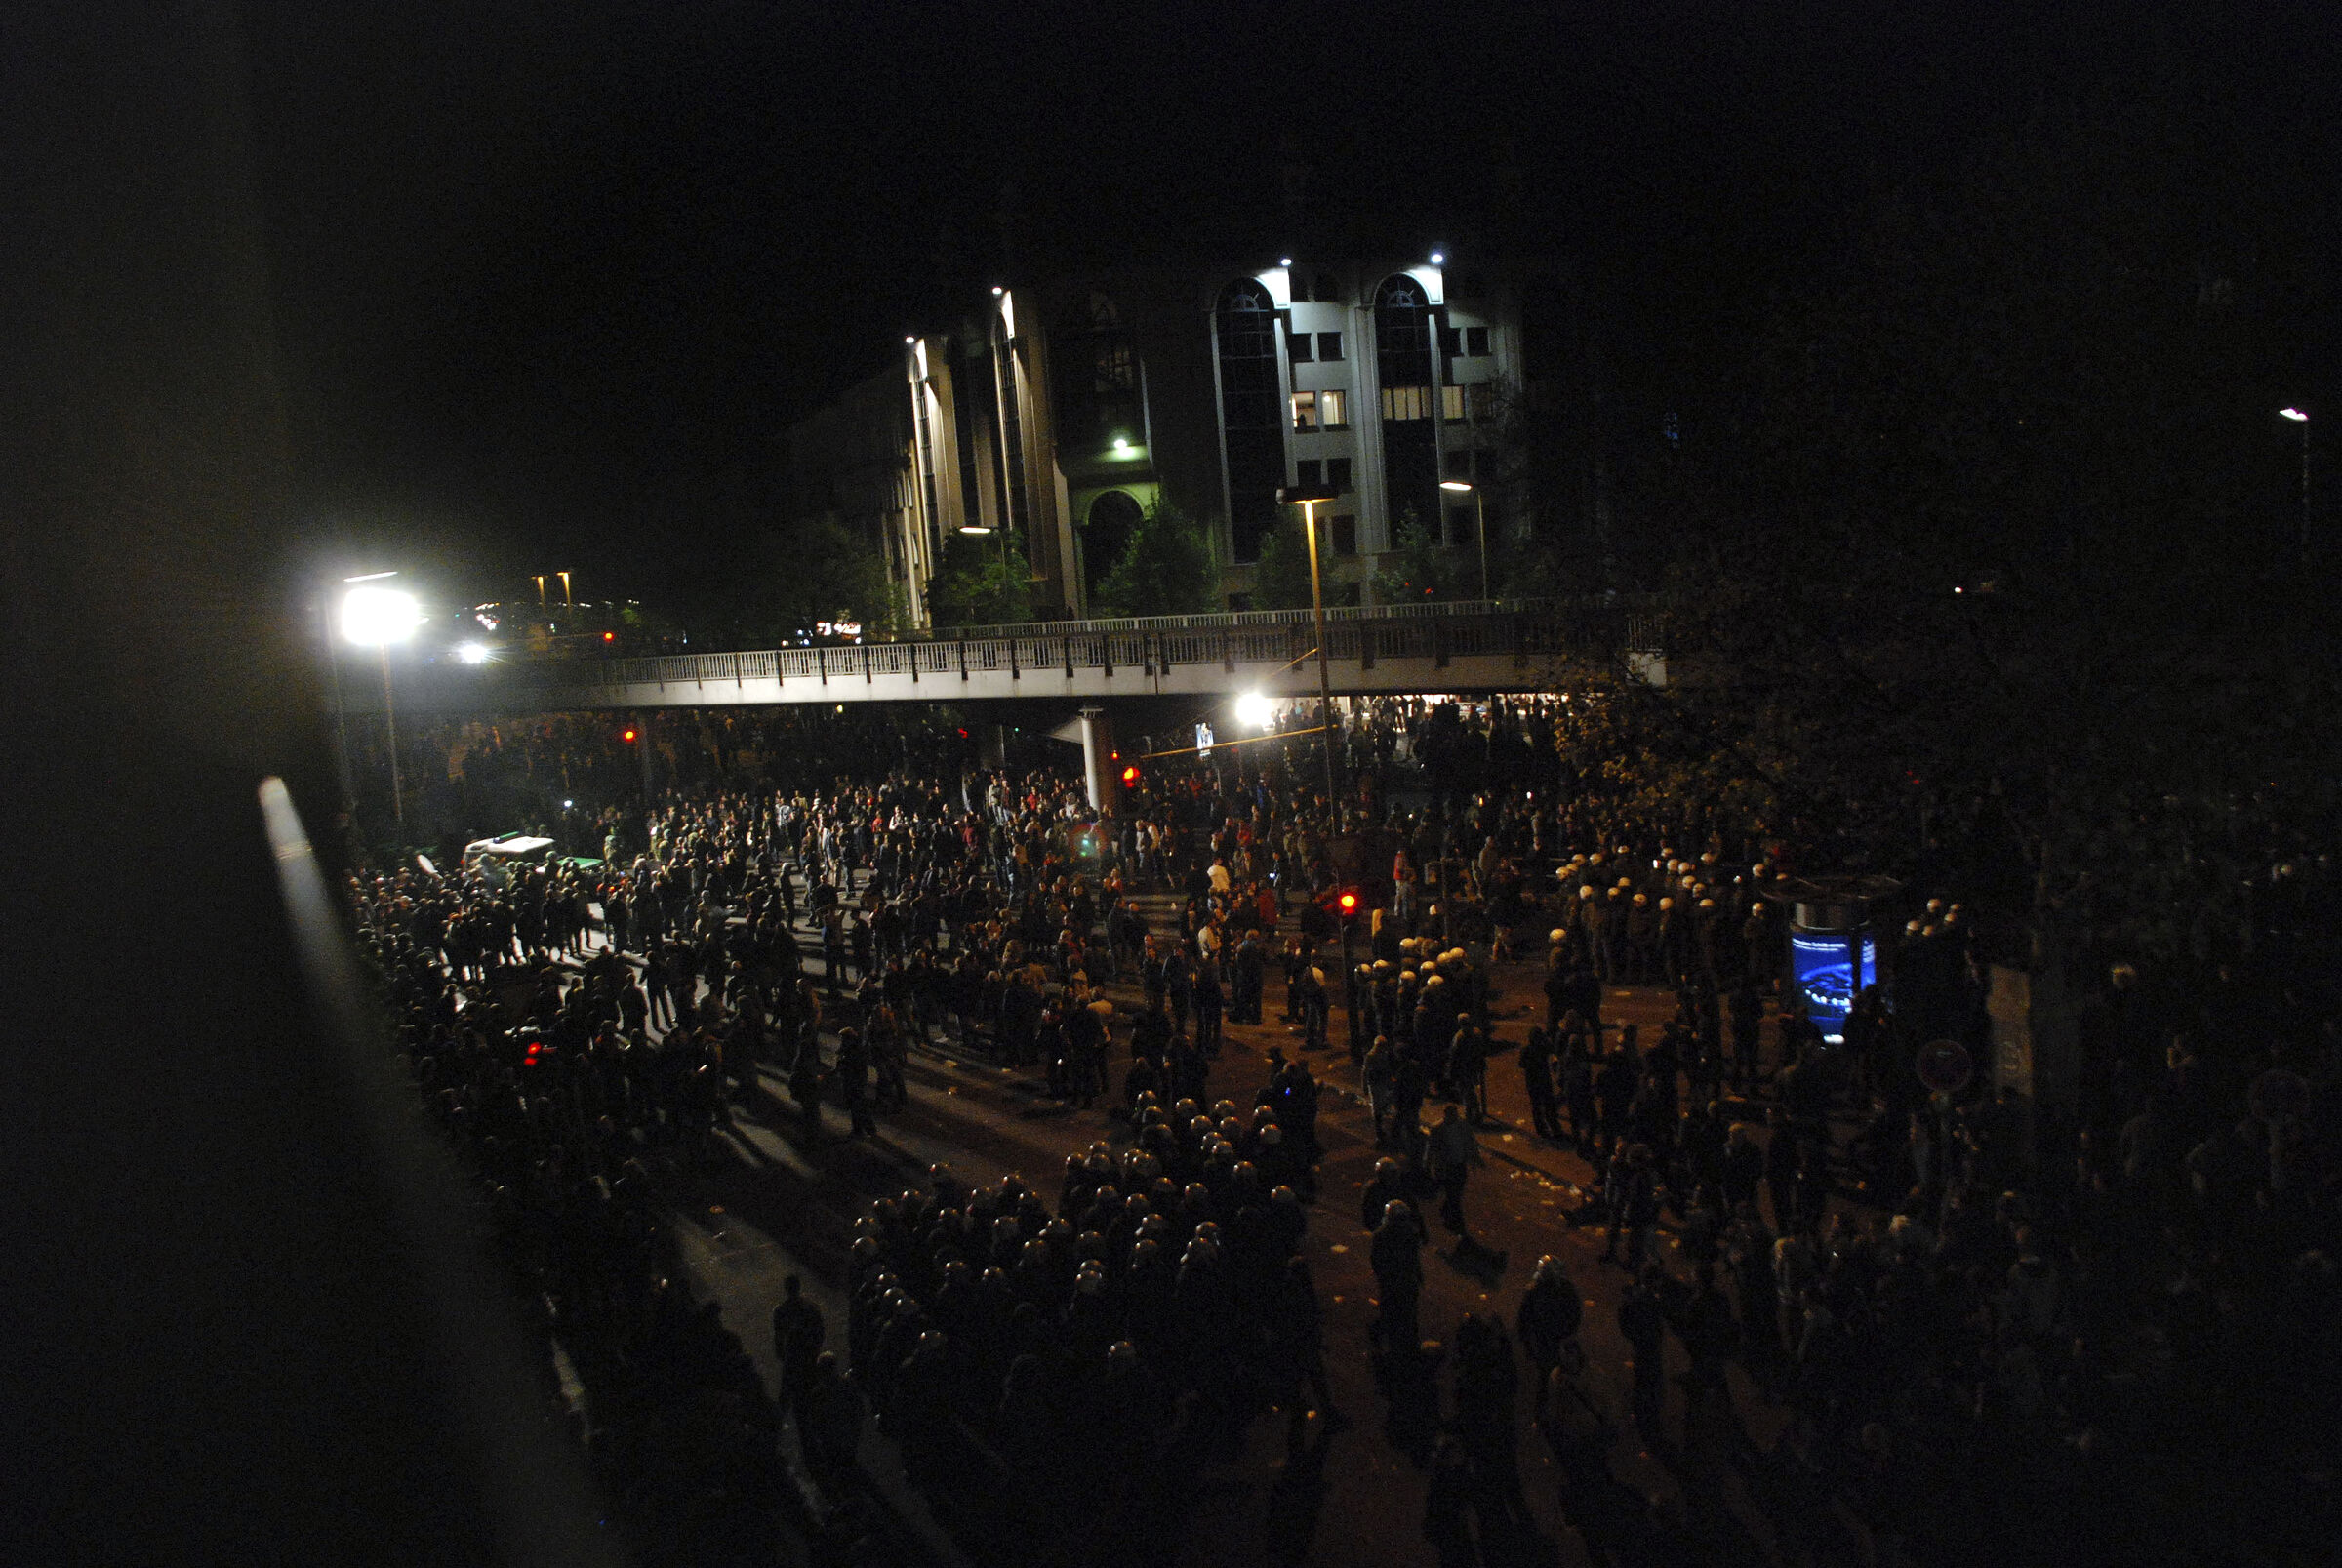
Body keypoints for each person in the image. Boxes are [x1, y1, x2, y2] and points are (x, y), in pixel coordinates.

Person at [1370, 1198, 1425, 1355]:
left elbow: (1413, 1257)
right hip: (1396, 1279)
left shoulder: (1388, 1235)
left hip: (1401, 1279)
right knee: (1396, 1310)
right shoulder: (1389, 1236)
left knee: (1403, 1310)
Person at [1427, 1103, 1484, 1241]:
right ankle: (1456, 1220)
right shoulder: (1437, 1129)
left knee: (1457, 1190)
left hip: (1459, 1165)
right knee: (1453, 1193)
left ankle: (1448, 1210)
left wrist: (1476, 1159)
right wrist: (1428, 1166)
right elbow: (1431, 1150)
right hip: (1447, 1167)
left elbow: (1470, 1143)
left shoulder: (1463, 1126)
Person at [771, 1273, 827, 1415]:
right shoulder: (811, 1307)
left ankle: (781, 1417)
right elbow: (820, 1331)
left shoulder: (780, 1311)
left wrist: (782, 1354)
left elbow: (778, 1337)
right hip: (809, 1353)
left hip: (792, 1355)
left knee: (787, 1390)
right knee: (813, 1386)